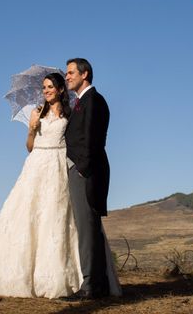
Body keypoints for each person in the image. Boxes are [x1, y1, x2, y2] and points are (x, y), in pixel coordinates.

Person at [0, 73, 82, 298]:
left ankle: (60, 276)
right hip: (36, 164)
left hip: (58, 165)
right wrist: (31, 130)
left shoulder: (70, 115)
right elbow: (29, 146)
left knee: (56, 216)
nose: (46, 91)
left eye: (50, 87)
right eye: (44, 87)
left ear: (61, 90)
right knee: (27, 214)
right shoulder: (36, 112)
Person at [64, 58, 116, 300]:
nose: (67, 77)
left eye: (71, 72)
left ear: (85, 74)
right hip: (82, 170)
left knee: (87, 229)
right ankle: (98, 284)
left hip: (87, 172)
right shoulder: (80, 102)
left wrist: (82, 169)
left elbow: (93, 139)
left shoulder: (93, 100)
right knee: (88, 229)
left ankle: (90, 286)